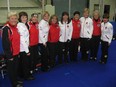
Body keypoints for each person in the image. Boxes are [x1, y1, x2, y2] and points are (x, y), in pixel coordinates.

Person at [2, 12, 22, 87]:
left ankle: (16, 80)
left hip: (16, 52)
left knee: (15, 69)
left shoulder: (16, 28)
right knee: (12, 70)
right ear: (8, 19)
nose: (14, 20)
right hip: (10, 54)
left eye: (15, 18)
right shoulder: (6, 29)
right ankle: (14, 84)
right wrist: (9, 56)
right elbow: (5, 44)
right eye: (12, 18)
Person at [17, 12, 34, 80]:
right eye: (22, 17)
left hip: (24, 47)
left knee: (23, 62)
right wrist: (27, 50)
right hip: (23, 48)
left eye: (25, 17)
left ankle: (22, 75)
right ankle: (27, 76)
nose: (24, 19)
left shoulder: (24, 25)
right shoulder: (20, 26)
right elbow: (22, 39)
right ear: (20, 18)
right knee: (26, 63)